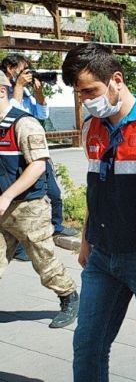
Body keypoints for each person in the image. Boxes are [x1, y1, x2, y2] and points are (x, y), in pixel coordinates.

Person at [61, 43, 136, 381]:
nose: (85, 100)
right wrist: (86, 238)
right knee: (87, 346)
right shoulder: (91, 128)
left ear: (116, 80)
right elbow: (96, 187)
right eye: (79, 94)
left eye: (90, 91)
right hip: (102, 257)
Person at [0, 70, 79, 329]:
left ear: (2, 91)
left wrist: (8, 195)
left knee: (44, 261)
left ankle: (69, 297)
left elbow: (38, 166)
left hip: (27, 208)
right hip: (2, 208)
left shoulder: (23, 124)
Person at [1, 55, 79, 262]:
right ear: (10, 69)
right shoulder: (4, 91)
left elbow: (42, 114)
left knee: (52, 191)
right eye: (24, 69)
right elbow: (11, 114)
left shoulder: (25, 90)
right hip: (13, 153)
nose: (28, 73)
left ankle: (56, 226)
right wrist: (17, 87)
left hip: (34, 149)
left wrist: (38, 93)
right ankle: (18, 246)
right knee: (18, 198)